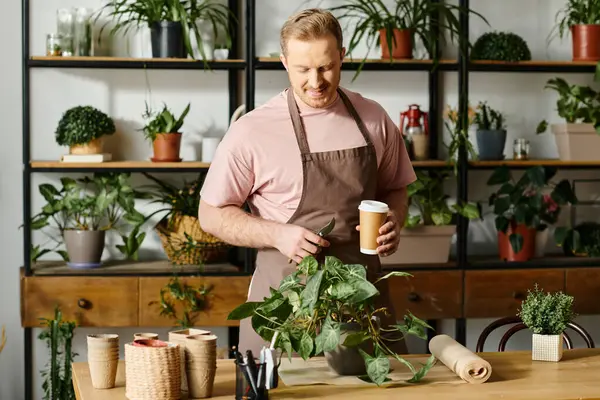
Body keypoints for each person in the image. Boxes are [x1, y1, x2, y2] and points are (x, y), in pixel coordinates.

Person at [198, 8, 416, 355]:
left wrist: (395, 219)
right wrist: (276, 233)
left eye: (326, 67)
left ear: (342, 56)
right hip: (285, 311)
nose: (316, 82)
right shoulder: (252, 131)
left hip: (363, 309)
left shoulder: (374, 119)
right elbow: (210, 214)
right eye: (303, 70)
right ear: (284, 62)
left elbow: (395, 188)